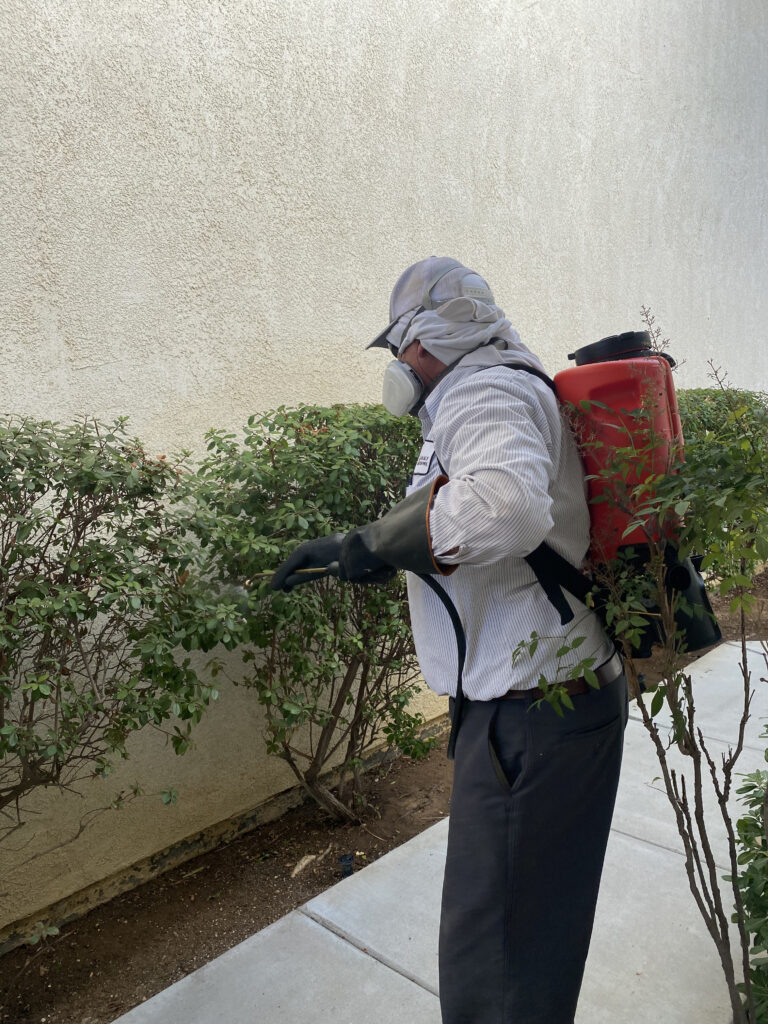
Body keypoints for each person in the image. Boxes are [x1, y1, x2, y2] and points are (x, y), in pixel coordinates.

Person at [272, 257, 628, 1024]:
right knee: (528, 941)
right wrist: (354, 546)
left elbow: (506, 507)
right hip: (548, 708)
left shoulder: (484, 388)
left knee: (494, 958)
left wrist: (370, 543)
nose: (399, 368)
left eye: (399, 350)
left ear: (424, 340)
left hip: (533, 720)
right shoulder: (497, 381)